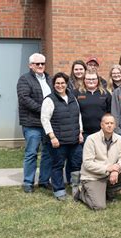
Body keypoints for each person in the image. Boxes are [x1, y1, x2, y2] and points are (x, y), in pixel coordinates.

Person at [75, 114, 121, 210]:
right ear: (101, 125)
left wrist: (116, 169)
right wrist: (107, 168)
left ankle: (107, 191)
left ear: (115, 125)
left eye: (112, 123)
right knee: (99, 206)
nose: (109, 125)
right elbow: (87, 163)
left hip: (108, 175)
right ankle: (81, 192)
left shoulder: (119, 139)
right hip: (93, 177)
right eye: (107, 123)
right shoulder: (91, 139)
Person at [41, 72, 83, 200]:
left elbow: (78, 115)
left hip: (74, 139)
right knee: (58, 165)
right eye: (57, 83)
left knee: (76, 164)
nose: (60, 85)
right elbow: (45, 119)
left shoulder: (72, 97)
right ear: (53, 85)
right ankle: (59, 190)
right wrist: (52, 137)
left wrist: (80, 132)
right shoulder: (49, 99)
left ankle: (76, 187)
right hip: (58, 140)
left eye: (62, 83)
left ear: (66, 84)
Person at [17, 53, 53, 193]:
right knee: (31, 153)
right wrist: (44, 110)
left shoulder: (50, 79)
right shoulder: (24, 80)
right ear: (30, 65)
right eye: (37, 64)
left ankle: (44, 180)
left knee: (48, 152)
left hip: (48, 124)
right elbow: (25, 99)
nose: (40, 66)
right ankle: (28, 182)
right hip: (32, 123)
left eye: (42, 63)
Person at [74, 70, 112, 139]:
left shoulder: (105, 94)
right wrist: (78, 132)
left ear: (98, 80)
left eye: (93, 79)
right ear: (84, 80)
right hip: (83, 134)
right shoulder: (76, 93)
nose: (91, 81)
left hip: (102, 132)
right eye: (88, 79)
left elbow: (110, 113)